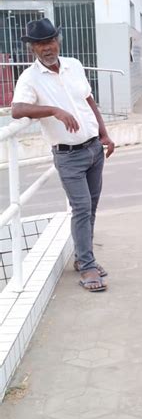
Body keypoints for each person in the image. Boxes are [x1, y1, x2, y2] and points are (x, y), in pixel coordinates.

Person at [11, 18, 115, 293]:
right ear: (32, 48)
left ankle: (84, 258)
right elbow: (17, 109)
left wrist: (104, 133)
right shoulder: (30, 78)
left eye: (51, 41)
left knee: (90, 208)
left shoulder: (74, 65)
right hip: (68, 156)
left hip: (94, 148)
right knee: (80, 208)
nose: (47, 47)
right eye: (40, 44)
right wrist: (54, 110)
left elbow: (88, 99)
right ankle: (88, 264)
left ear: (58, 40)